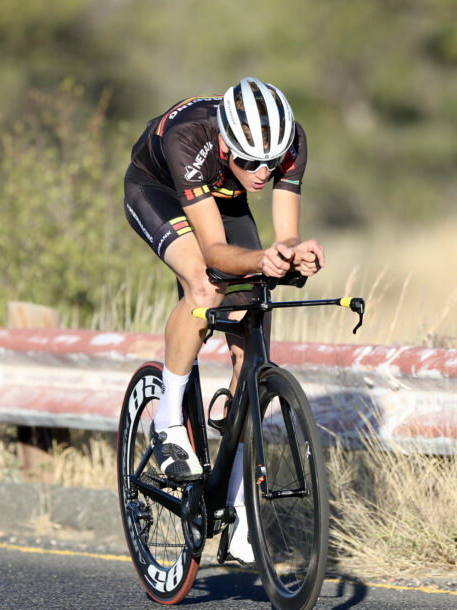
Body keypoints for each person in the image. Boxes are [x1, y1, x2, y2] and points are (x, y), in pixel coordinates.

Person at [123, 77, 324, 564]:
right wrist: (259, 260)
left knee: (253, 329)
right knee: (206, 283)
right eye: (250, 162)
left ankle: (238, 514)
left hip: (222, 198)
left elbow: (287, 234)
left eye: (271, 163)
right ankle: (168, 419)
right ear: (225, 143)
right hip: (161, 191)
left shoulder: (288, 141)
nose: (263, 173)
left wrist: (297, 255)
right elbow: (215, 253)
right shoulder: (189, 138)